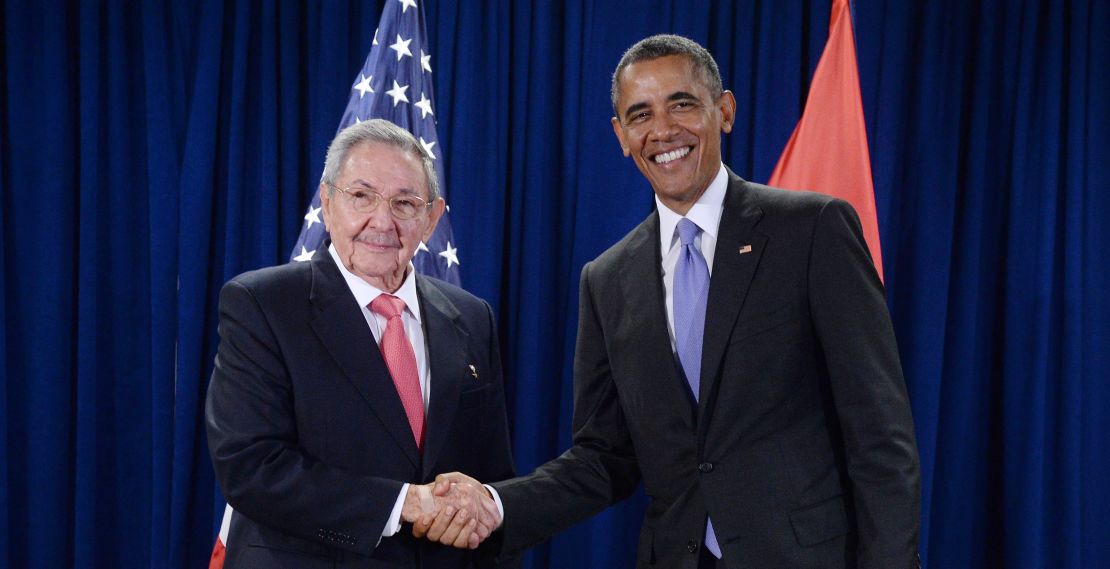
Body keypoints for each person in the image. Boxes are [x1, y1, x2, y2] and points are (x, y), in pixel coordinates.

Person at [424, 34, 921, 569]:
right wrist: (498, 506)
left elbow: (879, 434)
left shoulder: (812, 230)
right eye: (640, 115)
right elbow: (603, 458)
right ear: (621, 135)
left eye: (681, 104)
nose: (662, 131)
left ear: (724, 110)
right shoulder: (607, 279)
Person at [206, 119, 513, 568]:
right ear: (327, 203)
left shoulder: (471, 317)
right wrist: (404, 504)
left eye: (405, 203)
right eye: (361, 196)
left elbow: (492, 475)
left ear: (431, 219)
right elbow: (251, 466)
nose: (382, 221)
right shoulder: (263, 304)